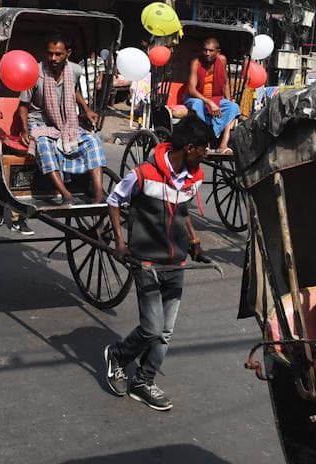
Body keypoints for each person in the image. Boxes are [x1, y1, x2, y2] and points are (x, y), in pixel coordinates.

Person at [103, 115, 211, 411]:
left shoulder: (194, 178)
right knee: (152, 329)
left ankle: (144, 380)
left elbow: (183, 211)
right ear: (189, 148)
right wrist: (120, 242)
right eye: (203, 148)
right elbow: (114, 200)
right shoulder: (143, 174)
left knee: (165, 332)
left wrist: (195, 243)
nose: (205, 155)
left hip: (176, 262)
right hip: (147, 261)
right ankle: (118, 355)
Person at [18, 32, 108, 204]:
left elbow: (73, 90)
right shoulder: (35, 72)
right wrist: (24, 130)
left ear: (68, 53)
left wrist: (86, 108)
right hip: (40, 121)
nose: (53, 58)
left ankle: (98, 193)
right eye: (50, 53)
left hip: (66, 120)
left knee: (93, 141)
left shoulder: (74, 70)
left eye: (58, 54)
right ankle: (66, 195)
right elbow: (23, 105)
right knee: (43, 144)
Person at [184, 38, 240, 154]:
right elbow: (192, 90)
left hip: (216, 98)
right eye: (205, 50)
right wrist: (209, 102)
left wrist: (228, 100)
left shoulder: (222, 60)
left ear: (217, 52)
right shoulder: (196, 62)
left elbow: (225, 83)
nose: (207, 53)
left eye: (211, 50)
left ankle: (223, 144)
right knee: (199, 104)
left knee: (233, 107)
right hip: (195, 98)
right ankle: (205, 141)